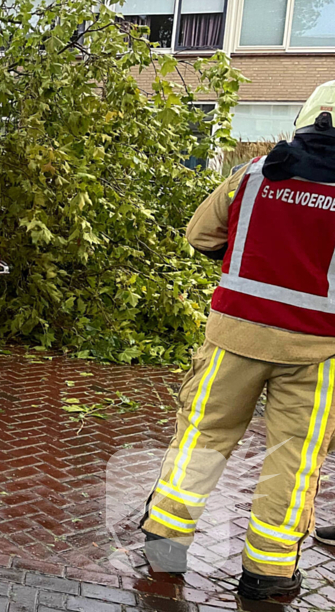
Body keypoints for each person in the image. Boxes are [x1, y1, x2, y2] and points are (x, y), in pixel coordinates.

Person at [140, 80, 335, 601]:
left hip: (233, 337)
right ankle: (268, 572)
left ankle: (165, 543)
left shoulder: (250, 176)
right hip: (316, 352)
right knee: (294, 459)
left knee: (203, 436)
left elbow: (200, 235)